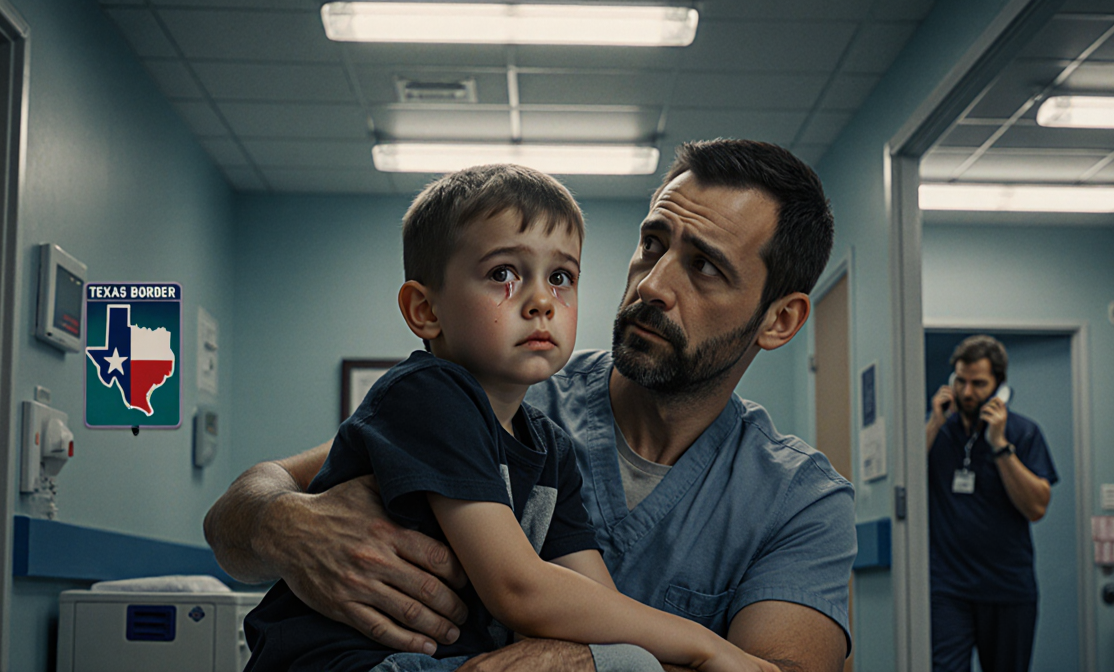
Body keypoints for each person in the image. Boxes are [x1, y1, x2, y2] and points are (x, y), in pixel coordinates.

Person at [205, 139, 856, 672]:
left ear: (780, 321)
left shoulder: (799, 497)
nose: (653, 284)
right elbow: (243, 504)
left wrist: (591, 661)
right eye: (653, 244)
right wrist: (282, 524)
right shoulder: (476, 394)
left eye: (705, 267)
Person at [925, 335, 1058, 672]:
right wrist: (933, 424)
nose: (967, 392)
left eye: (979, 384)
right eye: (961, 381)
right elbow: (904, 484)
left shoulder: (1024, 432)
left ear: (999, 386)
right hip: (948, 587)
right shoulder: (938, 431)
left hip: (1007, 587)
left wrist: (999, 445)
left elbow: (1037, 507)